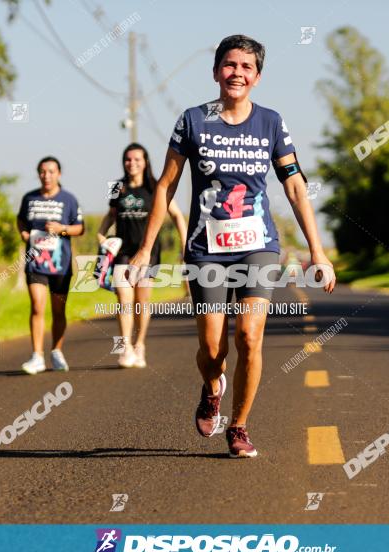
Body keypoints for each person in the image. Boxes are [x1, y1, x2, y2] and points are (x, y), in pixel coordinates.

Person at [128, 35, 335, 458]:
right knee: (211, 348)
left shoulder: (272, 123)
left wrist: (318, 251)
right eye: (229, 65)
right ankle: (212, 386)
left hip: (258, 245)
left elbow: (294, 186)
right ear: (216, 71)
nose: (236, 73)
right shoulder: (192, 120)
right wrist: (145, 250)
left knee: (250, 336)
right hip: (206, 247)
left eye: (246, 67)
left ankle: (239, 427)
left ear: (257, 77)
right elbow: (166, 185)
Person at [97, 143, 186, 368]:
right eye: (128, 159)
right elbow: (110, 215)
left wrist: (185, 245)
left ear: (145, 161)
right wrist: (101, 234)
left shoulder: (156, 186)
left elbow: (176, 215)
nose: (132, 163)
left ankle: (140, 344)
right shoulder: (116, 186)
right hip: (123, 253)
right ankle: (125, 347)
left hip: (148, 254)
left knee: (142, 302)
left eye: (137, 159)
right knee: (124, 299)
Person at [17, 156, 84, 374]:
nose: (47, 176)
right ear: (38, 174)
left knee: (58, 310)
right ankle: (37, 356)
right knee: (37, 305)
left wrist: (61, 228)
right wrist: (24, 233)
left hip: (60, 265)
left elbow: (79, 228)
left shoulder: (69, 199)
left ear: (59, 174)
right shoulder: (29, 198)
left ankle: (56, 351)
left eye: (51, 171)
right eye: (43, 172)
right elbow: (20, 219)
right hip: (35, 262)